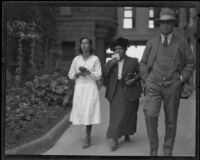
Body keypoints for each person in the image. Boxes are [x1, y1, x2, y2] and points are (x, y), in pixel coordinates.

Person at [140, 8, 195, 156]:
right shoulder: (151, 43)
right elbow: (143, 62)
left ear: (173, 25)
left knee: (171, 120)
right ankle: (153, 149)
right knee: (150, 115)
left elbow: (190, 63)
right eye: (162, 23)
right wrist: (146, 79)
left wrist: (182, 78)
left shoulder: (182, 43)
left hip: (173, 85)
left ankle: (168, 150)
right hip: (153, 85)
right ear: (159, 25)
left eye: (168, 23)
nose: (165, 26)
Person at [103, 37, 142, 151]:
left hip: (129, 88)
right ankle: (114, 139)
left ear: (125, 49)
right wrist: (111, 64)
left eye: (120, 48)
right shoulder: (111, 61)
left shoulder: (133, 61)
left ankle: (126, 132)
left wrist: (133, 80)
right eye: (116, 49)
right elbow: (105, 74)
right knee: (116, 115)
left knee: (128, 112)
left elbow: (140, 74)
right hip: (115, 90)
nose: (118, 51)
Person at [68, 37, 102, 149]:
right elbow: (70, 74)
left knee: (89, 111)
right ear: (80, 45)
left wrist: (88, 73)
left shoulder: (95, 59)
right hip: (80, 87)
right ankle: (87, 134)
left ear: (90, 45)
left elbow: (98, 76)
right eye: (82, 43)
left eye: (86, 43)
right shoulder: (76, 59)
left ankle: (87, 136)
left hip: (90, 87)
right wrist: (77, 74)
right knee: (81, 111)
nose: (84, 45)